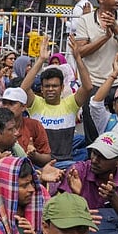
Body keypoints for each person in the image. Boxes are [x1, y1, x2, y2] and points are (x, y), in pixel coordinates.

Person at [74, 0, 118, 144]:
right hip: (93, 84)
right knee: (92, 132)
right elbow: (80, 51)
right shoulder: (85, 20)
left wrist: (115, 28)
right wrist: (104, 38)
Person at [23, 36, 93, 166]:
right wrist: (41, 60)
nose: (50, 89)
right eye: (47, 86)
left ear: (62, 88)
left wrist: (78, 58)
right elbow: (24, 89)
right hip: (39, 164)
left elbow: (88, 87)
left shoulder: (70, 104)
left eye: (54, 86)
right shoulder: (36, 104)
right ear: (42, 89)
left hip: (65, 163)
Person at [59, 131, 118, 224]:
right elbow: (62, 212)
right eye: (94, 153)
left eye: (102, 157)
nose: (94, 160)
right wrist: (77, 195)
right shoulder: (78, 171)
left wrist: (113, 197)